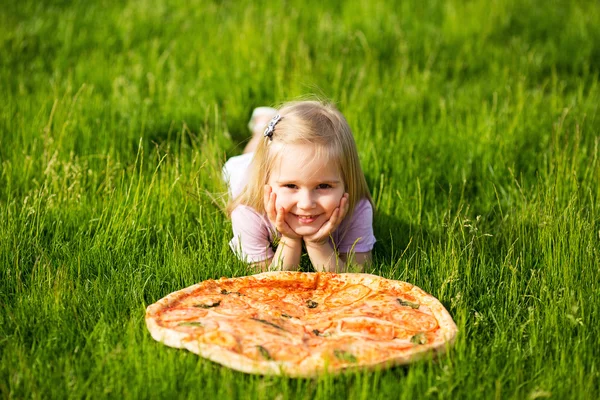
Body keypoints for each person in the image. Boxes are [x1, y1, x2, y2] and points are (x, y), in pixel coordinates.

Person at [223, 100, 375, 272]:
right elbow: (270, 284)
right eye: (291, 186)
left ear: (347, 180)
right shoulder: (248, 214)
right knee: (251, 153)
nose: (306, 203)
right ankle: (262, 127)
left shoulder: (357, 209)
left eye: (323, 186)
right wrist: (289, 240)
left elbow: (357, 277)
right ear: (265, 181)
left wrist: (318, 245)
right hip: (245, 169)